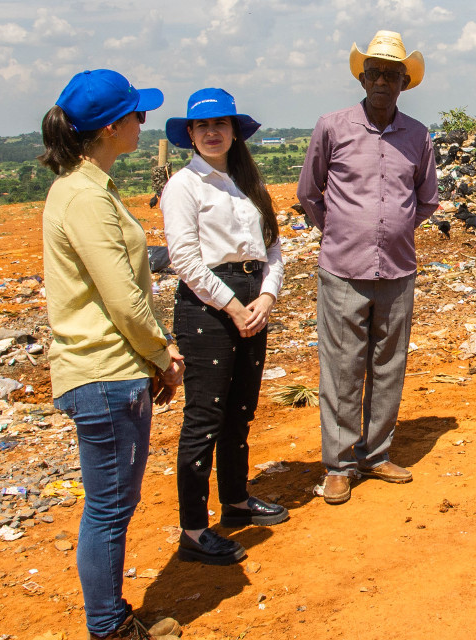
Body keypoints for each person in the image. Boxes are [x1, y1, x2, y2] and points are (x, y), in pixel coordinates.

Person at [39, 69, 185, 639]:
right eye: (137, 115)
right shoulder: (84, 198)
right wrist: (162, 353)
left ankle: (110, 617)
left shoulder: (84, 189)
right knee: (108, 508)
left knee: (111, 505)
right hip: (104, 371)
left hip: (104, 370)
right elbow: (123, 296)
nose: (143, 124)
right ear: (110, 127)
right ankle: (107, 625)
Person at [296, 30, 438, 505]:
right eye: (374, 73)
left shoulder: (418, 136)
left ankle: (375, 455)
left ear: (404, 82)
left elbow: (425, 200)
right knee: (340, 368)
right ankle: (338, 465)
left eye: (391, 74)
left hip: (397, 271)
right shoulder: (332, 127)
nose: (381, 80)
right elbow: (308, 195)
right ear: (361, 78)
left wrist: (392, 229)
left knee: (388, 364)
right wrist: (340, 231)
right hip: (341, 269)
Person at [160, 88, 288, 565]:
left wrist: (268, 297)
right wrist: (234, 307)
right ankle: (193, 530)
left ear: (235, 131)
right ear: (190, 134)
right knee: (205, 417)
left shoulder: (247, 183)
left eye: (220, 125)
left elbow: (272, 249)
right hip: (208, 309)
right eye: (201, 126)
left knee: (240, 410)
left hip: (254, 302)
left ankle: (235, 501)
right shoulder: (184, 186)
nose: (212, 133)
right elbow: (186, 261)